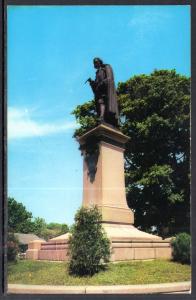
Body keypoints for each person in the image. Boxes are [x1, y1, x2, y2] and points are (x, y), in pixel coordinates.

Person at [86, 58, 119, 127]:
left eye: (96, 62)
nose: (95, 64)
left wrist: (102, 84)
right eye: (94, 63)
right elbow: (96, 84)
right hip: (99, 91)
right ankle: (102, 117)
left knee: (102, 102)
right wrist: (92, 82)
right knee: (100, 103)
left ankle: (101, 117)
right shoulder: (97, 73)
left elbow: (109, 78)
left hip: (105, 90)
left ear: (100, 62)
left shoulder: (105, 68)